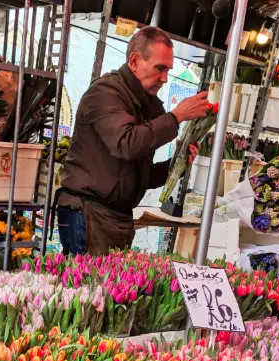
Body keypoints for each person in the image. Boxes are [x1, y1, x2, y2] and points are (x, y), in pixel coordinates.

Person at [55, 26, 212, 256]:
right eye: (160, 68)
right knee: (89, 288)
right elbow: (126, 144)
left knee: (107, 290)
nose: (165, 79)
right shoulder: (106, 92)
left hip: (115, 218)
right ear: (135, 60)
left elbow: (138, 175)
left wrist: (175, 166)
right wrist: (177, 115)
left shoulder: (145, 103)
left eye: (168, 70)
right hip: (89, 214)